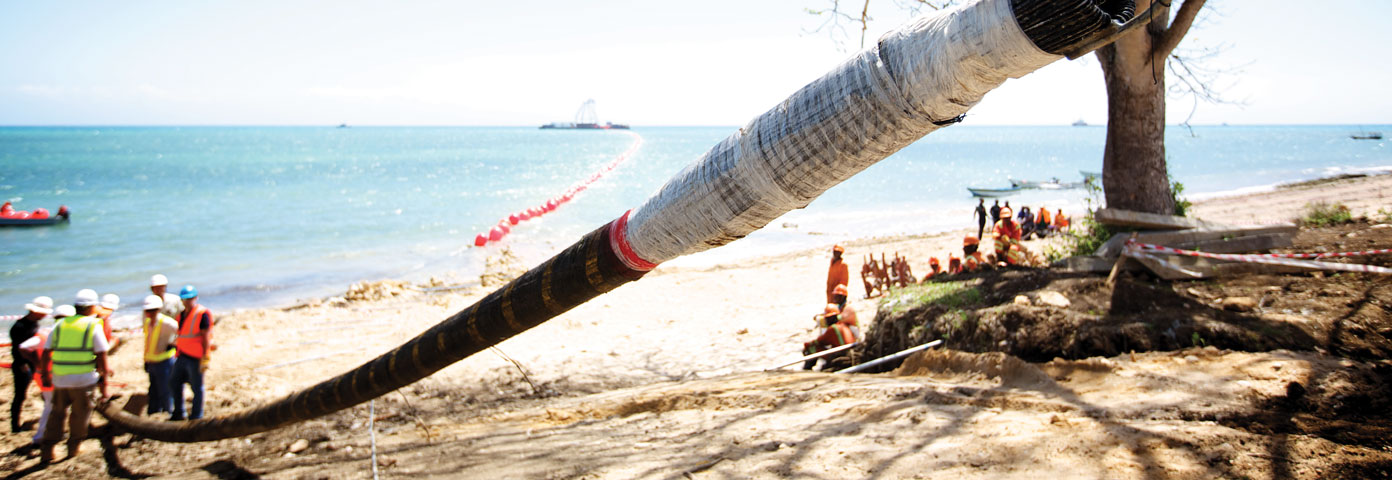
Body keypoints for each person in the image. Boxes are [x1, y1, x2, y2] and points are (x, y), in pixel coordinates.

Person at [40, 290, 110, 463]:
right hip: (83, 379)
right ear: (92, 307)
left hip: (60, 378)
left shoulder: (60, 324)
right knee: (80, 415)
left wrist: (45, 375)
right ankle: (74, 447)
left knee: (56, 414)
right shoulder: (93, 325)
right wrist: (104, 382)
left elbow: (46, 352)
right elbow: (102, 354)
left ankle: (48, 449)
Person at [17, 306, 62, 449]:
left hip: (44, 375)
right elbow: (23, 347)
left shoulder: (45, 332)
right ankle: (40, 437)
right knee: (51, 406)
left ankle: (49, 434)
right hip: (49, 375)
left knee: (52, 405)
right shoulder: (53, 333)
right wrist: (38, 364)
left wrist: (37, 364)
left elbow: (23, 346)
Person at [10, 296, 52, 433]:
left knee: (46, 390)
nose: (45, 315)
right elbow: (17, 349)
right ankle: (15, 426)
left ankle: (48, 417)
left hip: (34, 363)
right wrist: (23, 364)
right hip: (23, 365)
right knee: (20, 395)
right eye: (43, 312)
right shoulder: (19, 327)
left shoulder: (34, 324)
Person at [170, 285, 212, 421]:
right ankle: (179, 413)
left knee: (197, 387)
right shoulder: (181, 315)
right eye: (185, 299)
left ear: (196, 298)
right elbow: (182, 335)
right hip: (182, 355)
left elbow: (206, 335)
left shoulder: (201, 313)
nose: (188, 301)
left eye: (190, 298)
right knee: (174, 382)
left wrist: (205, 356)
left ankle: (196, 416)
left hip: (195, 357)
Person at [141, 295, 179, 416]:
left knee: (165, 390)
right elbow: (148, 342)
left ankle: (169, 412)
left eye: (152, 310)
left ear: (158, 309)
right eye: (148, 311)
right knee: (153, 390)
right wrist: (146, 360)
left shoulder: (167, 323)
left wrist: (174, 344)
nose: (150, 313)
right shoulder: (148, 323)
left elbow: (182, 333)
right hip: (152, 362)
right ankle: (154, 412)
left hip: (165, 362)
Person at [802, 303, 857, 371]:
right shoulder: (843, 325)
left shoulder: (833, 329)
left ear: (830, 318)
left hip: (841, 356)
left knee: (813, 347)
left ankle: (807, 369)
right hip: (850, 354)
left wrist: (806, 345)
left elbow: (820, 341)